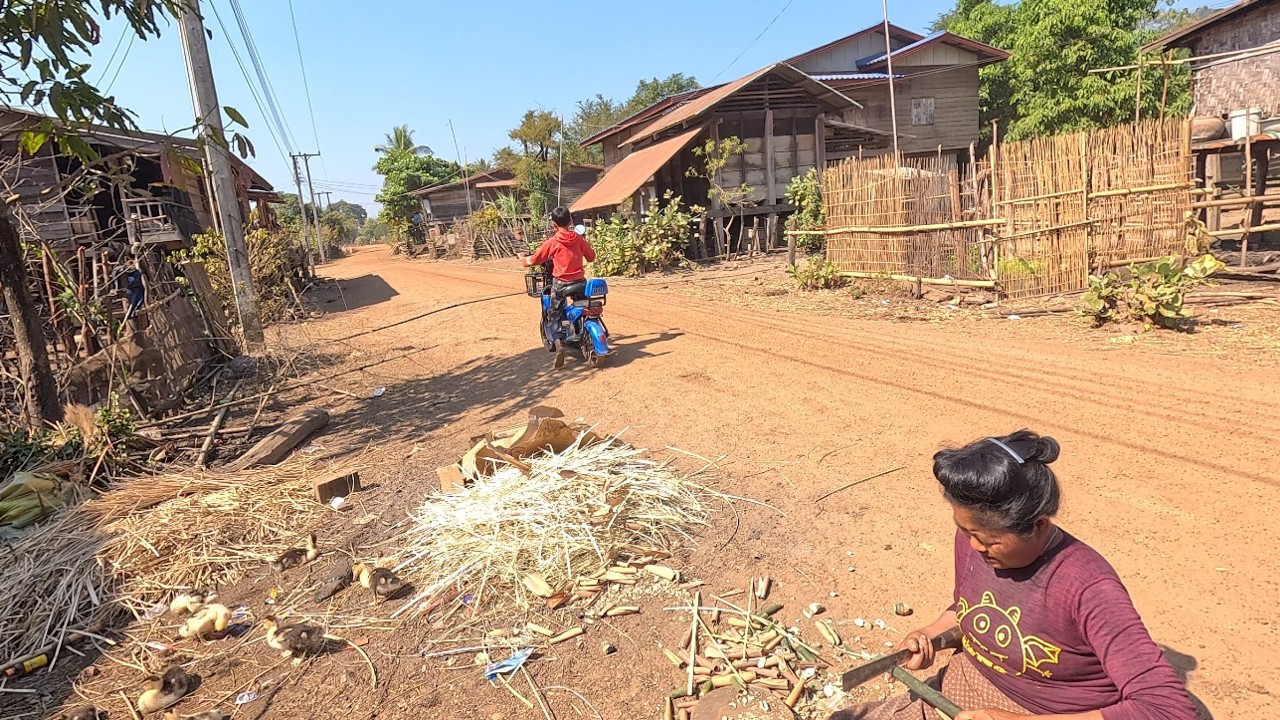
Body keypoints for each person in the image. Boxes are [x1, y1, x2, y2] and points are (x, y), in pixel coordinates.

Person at [832, 430, 1195, 720]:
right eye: (965, 531)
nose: (973, 547)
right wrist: (931, 635)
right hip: (960, 692)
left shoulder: (1088, 586)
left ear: (1037, 525)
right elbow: (969, 607)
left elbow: (1167, 709)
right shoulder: (976, 544)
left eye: (988, 539)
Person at [520, 206, 595, 368]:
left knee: (554, 313)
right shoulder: (579, 239)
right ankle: (582, 329)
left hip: (561, 284)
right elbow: (591, 257)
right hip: (580, 282)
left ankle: (559, 345)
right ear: (570, 221)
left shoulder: (553, 242)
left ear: (554, 224)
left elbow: (534, 260)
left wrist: (523, 259)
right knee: (584, 305)